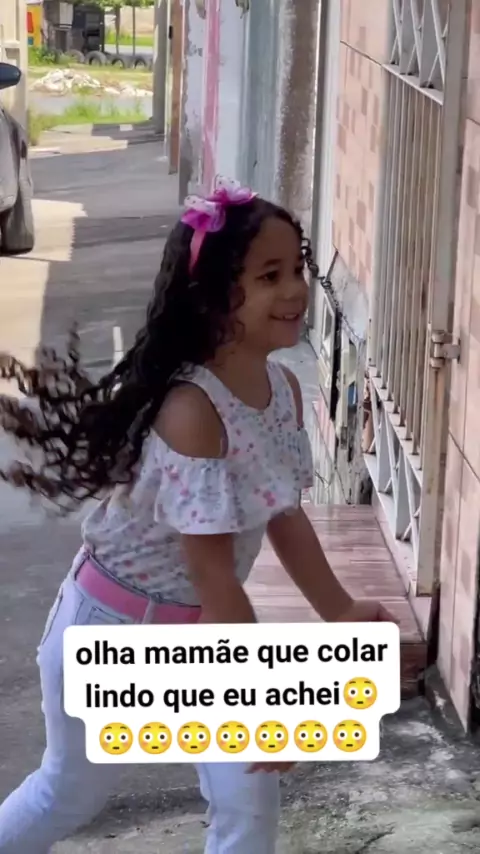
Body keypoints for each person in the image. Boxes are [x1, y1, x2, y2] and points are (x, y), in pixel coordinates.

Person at [0, 178, 394, 854]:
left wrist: (340, 609)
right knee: (70, 793)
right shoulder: (191, 410)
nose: (296, 290)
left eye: (297, 267)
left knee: (250, 808)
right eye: (269, 276)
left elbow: (283, 514)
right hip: (111, 633)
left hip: (199, 634)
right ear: (211, 298)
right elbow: (214, 576)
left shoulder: (283, 390)